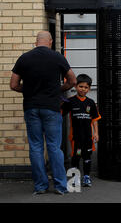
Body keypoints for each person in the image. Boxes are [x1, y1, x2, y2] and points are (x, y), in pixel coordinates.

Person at [10, 31, 77, 195]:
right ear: (51, 42)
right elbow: (73, 81)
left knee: (36, 147)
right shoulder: (57, 57)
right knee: (54, 147)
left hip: (31, 107)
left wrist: (29, 91)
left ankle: (41, 186)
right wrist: (58, 90)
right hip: (51, 108)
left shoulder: (24, 58)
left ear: (36, 42)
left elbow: (13, 84)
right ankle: (61, 187)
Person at [61, 74, 101, 188]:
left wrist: (96, 133)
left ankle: (87, 177)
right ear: (76, 87)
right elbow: (60, 113)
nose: (83, 89)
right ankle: (75, 177)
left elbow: (94, 120)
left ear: (89, 88)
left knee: (87, 157)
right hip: (76, 137)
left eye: (86, 87)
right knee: (76, 156)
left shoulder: (91, 103)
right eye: (81, 86)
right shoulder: (70, 101)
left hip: (88, 137)